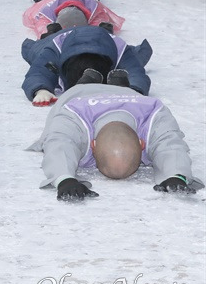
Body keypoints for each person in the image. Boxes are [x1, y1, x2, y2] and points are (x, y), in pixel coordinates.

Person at [28, 83, 204, 200]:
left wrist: (176, 175)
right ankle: (108, 80)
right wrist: (64, 179)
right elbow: (59, 143)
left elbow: (170, 144)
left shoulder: (156, 114)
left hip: (130, 95)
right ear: (142, 144)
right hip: (77, 92)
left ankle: (115, 80)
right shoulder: (71, 115)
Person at [21, 24, 152, 105]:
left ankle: (105, 28)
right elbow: (39, 71)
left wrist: (133, 90)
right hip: (60, 37)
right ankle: (52, 30)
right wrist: (40, 89)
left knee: (137, 58)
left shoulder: (119, 50)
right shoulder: (55, 50)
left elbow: (135, 72)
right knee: (35, 52)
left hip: (104, 39)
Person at [22, 0, 125, 39]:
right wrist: (50, 34)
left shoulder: (96, 11)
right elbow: (42, 30)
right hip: (54, 2)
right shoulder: (44, 13)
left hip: (82, 3)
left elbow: (100, 27)